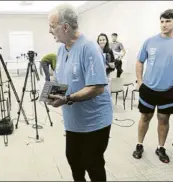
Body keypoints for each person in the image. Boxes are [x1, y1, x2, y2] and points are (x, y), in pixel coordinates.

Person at [47, 4, 113, 181]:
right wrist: (54, 92)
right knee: (74, 161)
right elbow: (64, 79)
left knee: (93, 164)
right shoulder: (61, 49)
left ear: (65, 27)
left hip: (94, 122)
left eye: (52, 27)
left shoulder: (89, 48)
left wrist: (67, 98)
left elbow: (97, 87)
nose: (49, 31)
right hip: (73, 122)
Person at [133, 9, 173, 164]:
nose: (164, 24)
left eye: (168, 21)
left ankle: (160, 147)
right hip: (148, 89)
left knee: (163, 119)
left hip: (169, 91)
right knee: (145, 117)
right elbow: (139, 61)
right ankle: (139, 144)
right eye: (162, 21)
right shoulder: (150, 41)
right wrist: (139, 81)